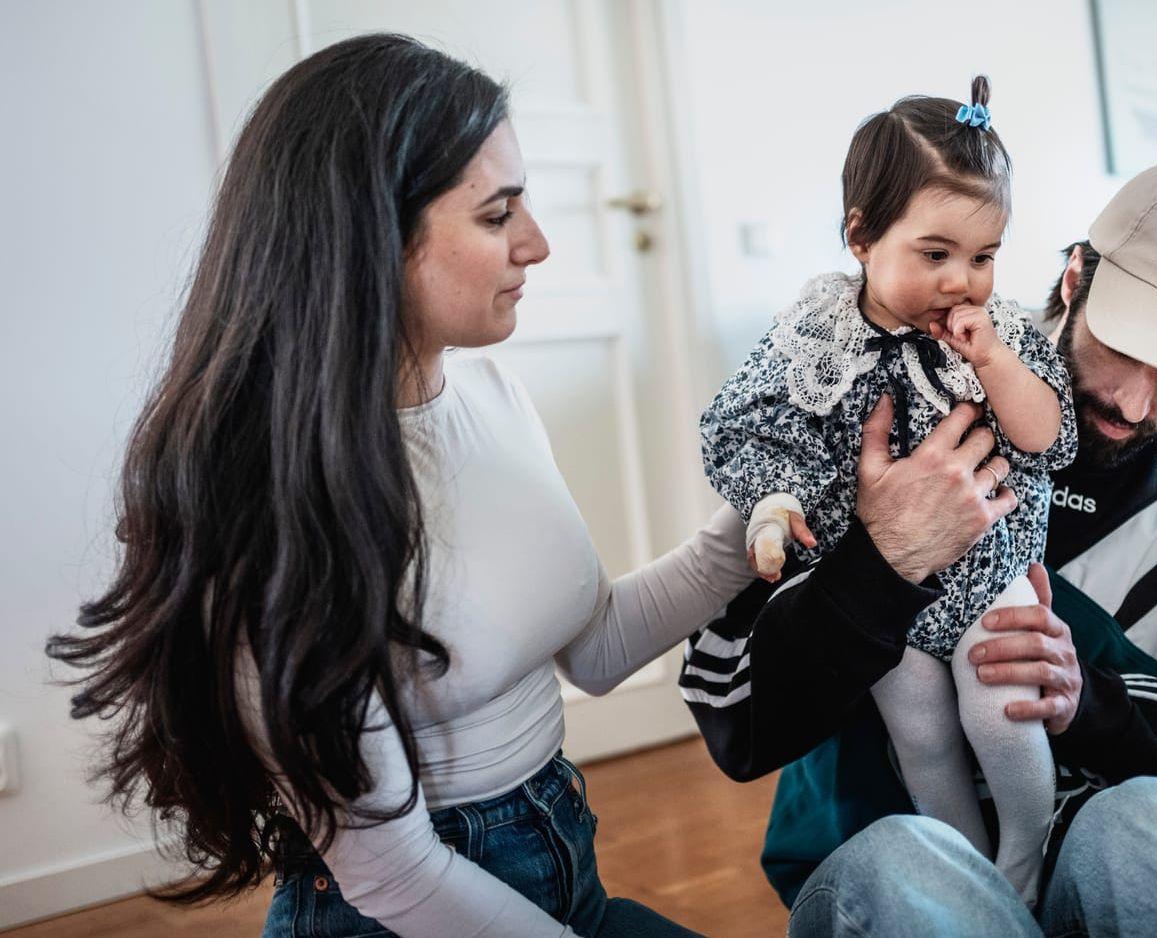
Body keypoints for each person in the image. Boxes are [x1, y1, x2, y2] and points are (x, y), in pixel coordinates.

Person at [48, 33, 757, 938]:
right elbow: (398, 878)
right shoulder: (274, 503)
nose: (536, 244)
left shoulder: (491, 393)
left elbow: (595, 649)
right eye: (498, 216)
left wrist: (773, 519)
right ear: (370, 236)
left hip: (561, 863)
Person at [680, 161, 1157, 935]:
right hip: (908, 860)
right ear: (1076, 277)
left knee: (1145, 824)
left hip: (1127, 860)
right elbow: (731, 716)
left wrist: (1099, 704)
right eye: (1125, 346)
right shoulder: (856, 430)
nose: (1135, 403)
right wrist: (883, 559)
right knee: (905, 860)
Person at [698, 76, 1075, 903]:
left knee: (997, 715)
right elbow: (755, 422)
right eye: (935, 254)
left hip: (986, 566)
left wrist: (996, 365)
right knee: (922, 735)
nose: (961, 282)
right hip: (883, 587)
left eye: (984, 257)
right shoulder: (817, 330)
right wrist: (775, 504)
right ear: (861, 238)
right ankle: (971, 875)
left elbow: (1048, 439)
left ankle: (1025, 859)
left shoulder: (1000, 332)